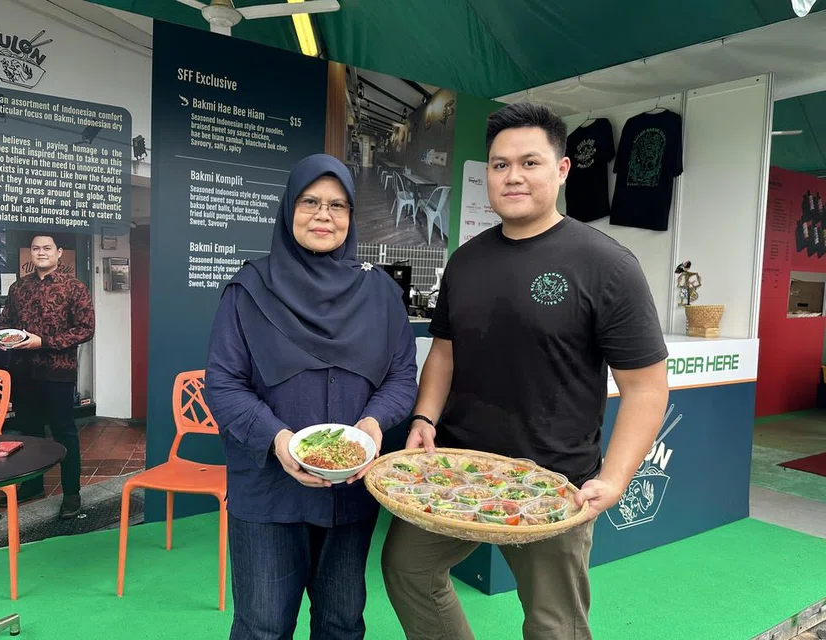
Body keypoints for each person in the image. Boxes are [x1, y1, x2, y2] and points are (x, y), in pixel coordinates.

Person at [381, 102, 670, 640]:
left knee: (553, 625)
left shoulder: (607, 264)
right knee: (407, 568)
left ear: (561, 170)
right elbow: (443, 349)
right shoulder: (465, 260)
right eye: (499, 164)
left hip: (556, 482)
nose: (512, 176)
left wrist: (614, 478)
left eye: (529, 162)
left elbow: (647, 387)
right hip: (458, 470)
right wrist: (424, 417)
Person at [205, 154, 418, 640]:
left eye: (338, 205)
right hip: (267, 492)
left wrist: (373, 425)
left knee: (341, 624)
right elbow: (223, 385)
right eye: (311, 202)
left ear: (350, 217)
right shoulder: (247, 290)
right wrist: (278, 439)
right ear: (288, 210)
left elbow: (402, 377)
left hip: (350, 491)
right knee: (262, 626)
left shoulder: (381, 293)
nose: (324, 215)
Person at [0, 233, 95, 520]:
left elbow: (85, 329)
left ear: (59, 252)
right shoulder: (18, 288)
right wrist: (2, 338)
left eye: (47, 248)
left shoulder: (74, 288)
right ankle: (32, 485)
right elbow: (5, 323)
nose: (41, 252)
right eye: (36, 248)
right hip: (24, 371)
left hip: (58, 371)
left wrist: (44, 341)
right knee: (29, 432)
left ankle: (72, 494)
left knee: (64, 432)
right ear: (30, 253)